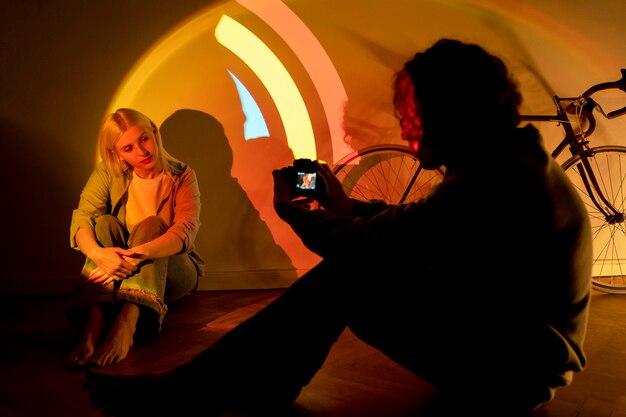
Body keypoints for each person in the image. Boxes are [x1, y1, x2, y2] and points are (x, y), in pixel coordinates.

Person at [84, 39, 592, 416]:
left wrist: (301, 215)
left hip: (515, 370)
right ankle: (243, 384)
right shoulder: (508, 163)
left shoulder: (494, 180)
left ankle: (191, 390)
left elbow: (383, 244)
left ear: (448, 112)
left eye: (412, 115)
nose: (407, 128)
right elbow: (415, 229)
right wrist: (345, 207)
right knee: (355, 270)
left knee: (350, 273)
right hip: (513, 345)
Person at [65, 108, 204, 369]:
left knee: (152, 225)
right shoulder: (108, 172)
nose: (142, 152)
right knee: (104, 223)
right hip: (117, 271)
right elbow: (82, 218)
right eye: (128, 148)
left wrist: (135, 255)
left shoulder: (183, 175)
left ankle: (126, 323)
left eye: (144, 139)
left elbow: (183, 232)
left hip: (173, 270)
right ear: (117, 153)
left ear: (154, 131)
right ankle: (95, 322)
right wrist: (99, 255)